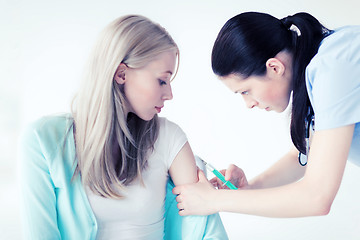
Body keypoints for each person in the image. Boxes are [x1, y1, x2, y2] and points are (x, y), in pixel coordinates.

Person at [19, 15, 228, 240]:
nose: (169, 94)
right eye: (161, 80)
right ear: (121, 74)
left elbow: (208, 230)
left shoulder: (169, 137)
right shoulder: (42, 140)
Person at [173, 11, 360, 218]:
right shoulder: (316, 75)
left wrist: (212, 200)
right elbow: (302, 155)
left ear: (274, 67)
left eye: (245, 91)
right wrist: (251, 188)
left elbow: (316, 197)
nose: (248, 104)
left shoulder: (333, 66)